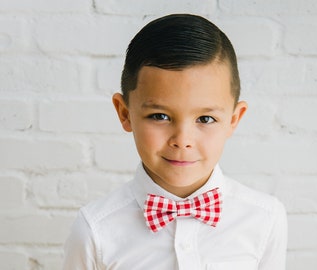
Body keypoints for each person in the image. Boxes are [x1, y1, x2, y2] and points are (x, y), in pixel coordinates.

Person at [63, 14, 287, 270]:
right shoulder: (94, 230)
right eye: (160, 116)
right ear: (125, 113)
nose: (182, 140)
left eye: (205, 118)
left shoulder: (265, 218)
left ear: (234, 119)